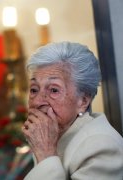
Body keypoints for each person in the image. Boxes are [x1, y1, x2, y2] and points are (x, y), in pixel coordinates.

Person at [22, 42, 123, 179]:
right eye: (34, 89)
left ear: (83, 101)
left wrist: (46, 154)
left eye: (54, 90)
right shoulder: (50, 135)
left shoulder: (101, 146)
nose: (37, 101)